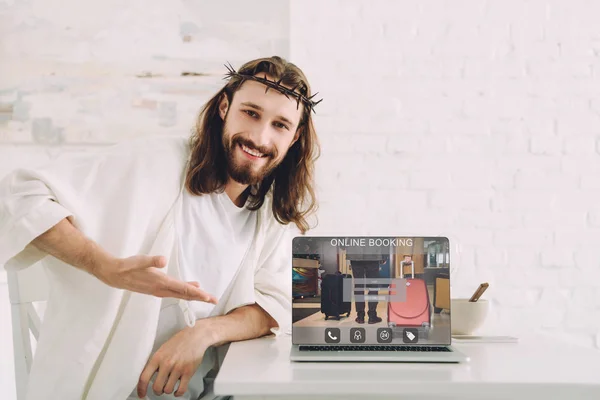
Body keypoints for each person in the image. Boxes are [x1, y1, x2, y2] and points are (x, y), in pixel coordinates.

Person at [0, 56, 321, 399]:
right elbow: (18, 197)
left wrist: (202, 333)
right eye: (251, 113)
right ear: (224, 107)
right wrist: (106, 268)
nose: (260, 137)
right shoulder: (156, 162)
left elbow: (276, 305)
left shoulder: (268, 213)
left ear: (295, 136)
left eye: (280, 125)